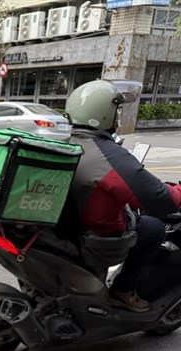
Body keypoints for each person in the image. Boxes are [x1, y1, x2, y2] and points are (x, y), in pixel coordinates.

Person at [62, 79, 181, 312]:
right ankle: (123, 290)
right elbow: (160, 199)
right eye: (117, 110)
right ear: (107, 114)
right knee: (154, 228)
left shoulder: (65, 142)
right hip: (101, 234)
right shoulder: (110, 157)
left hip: (67, 227)